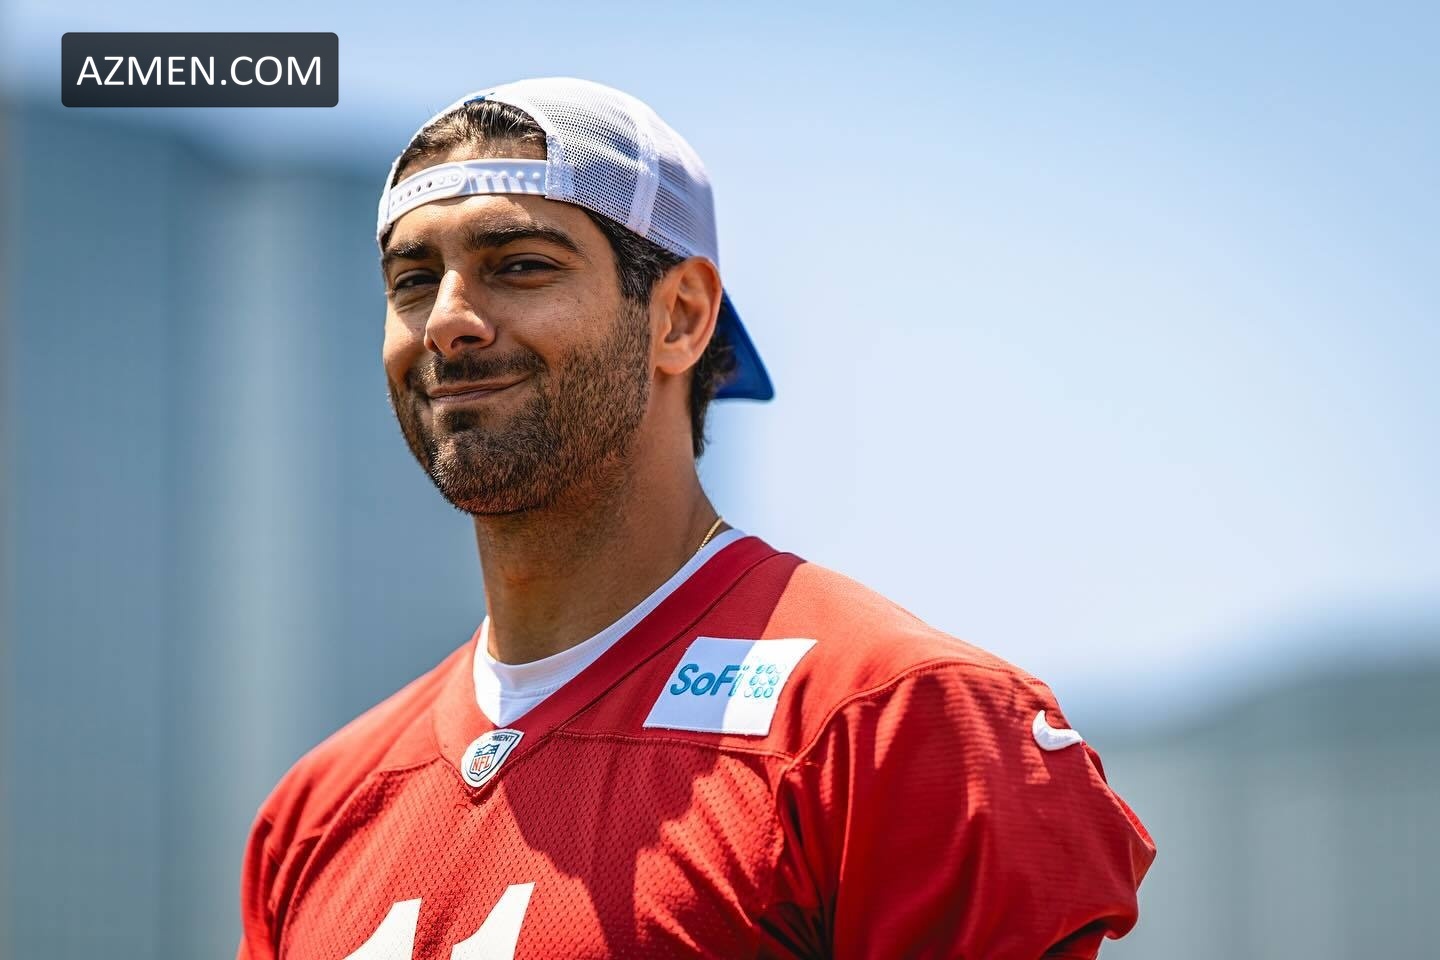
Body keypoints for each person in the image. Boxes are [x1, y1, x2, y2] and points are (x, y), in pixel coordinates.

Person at [236, 77, 1155, 960]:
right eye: (411, 280)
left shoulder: (893, 721)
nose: (447, 320)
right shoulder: (318, 810)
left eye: (519, 266)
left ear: (679, 317)